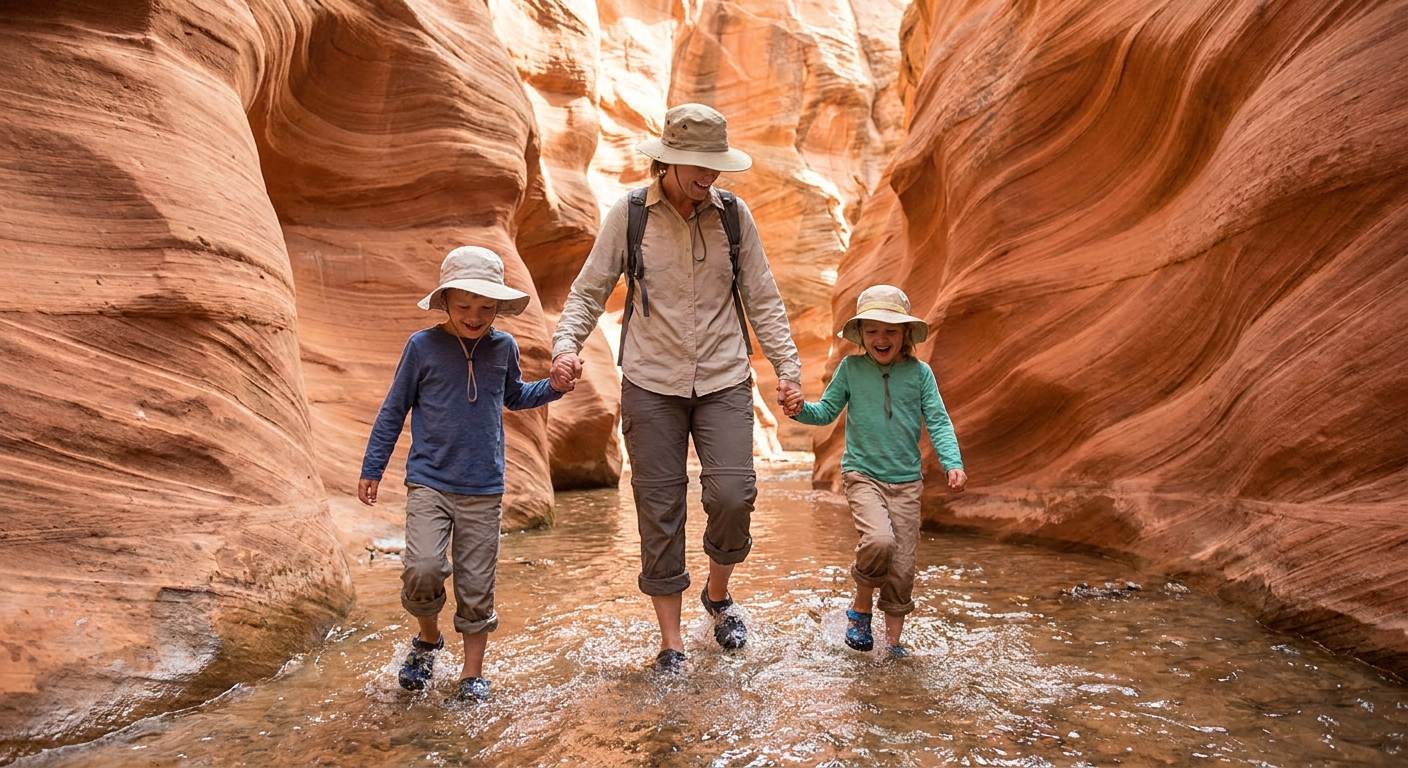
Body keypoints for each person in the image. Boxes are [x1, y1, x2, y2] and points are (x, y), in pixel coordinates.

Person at [550, 103, 802, 673]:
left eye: (716, 166)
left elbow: (762, 297)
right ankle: (672, 644)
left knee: (733, 497)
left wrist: (787, 369)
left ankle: (717, 594)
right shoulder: (631, 214)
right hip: (650, 382)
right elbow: (590, 289)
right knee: (659, 510)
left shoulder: (735, 216)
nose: (709, 177)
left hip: (724, 378)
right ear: (666, 161)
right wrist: (566, 347)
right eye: (698, 165)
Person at [358, 245, 571, 702]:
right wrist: (373, 466)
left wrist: (552, 387)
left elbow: (513, 396)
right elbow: (394, 409)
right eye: (464, 305)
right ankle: (429, 637)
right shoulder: (422, 347)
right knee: (423, 567)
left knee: (476, 584)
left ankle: (472, 674)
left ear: (497, 306)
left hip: (484, 487)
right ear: (446, 301)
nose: (475, 315)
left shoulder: (504, 346)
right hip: (429, 481)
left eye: (486, 307)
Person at [787, 285, 967, 657]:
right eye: (871, 330)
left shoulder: (920, 374)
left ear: (905, 335)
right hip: (863, 475)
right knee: (879, 541)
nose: (880, 338)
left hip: (906, 483)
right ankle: (861, 607)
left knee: (903, 565)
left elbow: (938, 421)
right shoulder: (851, 369)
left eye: (890, 330)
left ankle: (893, 645)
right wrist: (798, 408)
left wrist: (953, 463)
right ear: (861, 335)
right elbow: (824, 413)